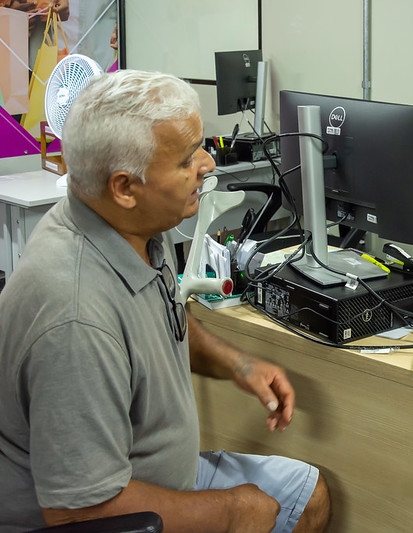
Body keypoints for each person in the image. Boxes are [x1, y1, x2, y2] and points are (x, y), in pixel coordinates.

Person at [0, 70, 330, 532]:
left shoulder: (128, 229)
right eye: (185, 159)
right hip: (108, 512)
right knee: (263, 508)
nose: (207, 165)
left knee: (306, 497)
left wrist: (237, 364)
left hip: (152, 474)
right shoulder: (73, 319)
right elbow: (80, 512)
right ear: (125, 187)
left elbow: (158, 313)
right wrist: (232, 513)